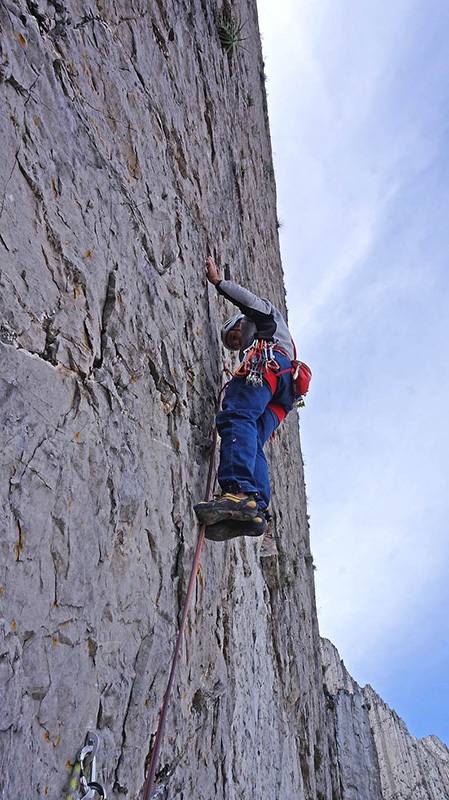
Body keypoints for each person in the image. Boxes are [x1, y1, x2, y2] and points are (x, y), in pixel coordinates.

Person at [194, 256, 296, 542]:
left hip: (268, 366)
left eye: (235, 335)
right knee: (254, 443)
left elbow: (248, 300)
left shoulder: (263, 317)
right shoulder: (282, 342)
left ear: (240, 323)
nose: (237, 342)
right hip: (282, 394)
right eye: (233, 344)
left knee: (237, 415)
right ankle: (256, 509)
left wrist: (218, 283)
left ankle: (238, 492)